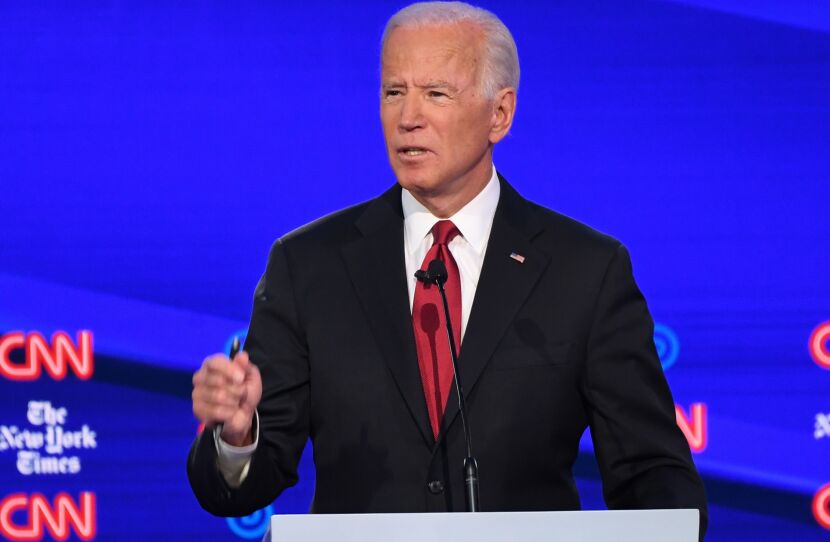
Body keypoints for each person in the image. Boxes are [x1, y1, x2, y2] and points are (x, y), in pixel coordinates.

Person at [188, 1, 708, 538]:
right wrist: (237, 434)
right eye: (394, 91)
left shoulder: (586, 272)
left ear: (500, 114)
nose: (408, 116)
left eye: (436, 93)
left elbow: (652, 474)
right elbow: (242, 486)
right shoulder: (309, 265)